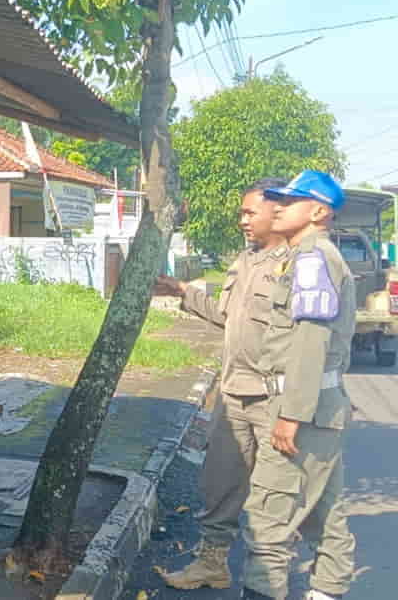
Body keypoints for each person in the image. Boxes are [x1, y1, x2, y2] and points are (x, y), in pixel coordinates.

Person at [153, 178, 290, 590]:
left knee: (271, 499)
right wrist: (182, 291)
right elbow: (227, 317)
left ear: (277, 213)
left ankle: (267, 582)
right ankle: (212, 564)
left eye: (250, 213)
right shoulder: (245, 261)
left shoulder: (299, 264)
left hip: (275, 400)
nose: (242, 221)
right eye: (241, 213)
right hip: (233, 395)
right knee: (219, 484)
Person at [240, 171, 357, 600]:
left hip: (302, 409)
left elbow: (311, 339)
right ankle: (327, 591)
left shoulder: (313, 258)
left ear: (319, 211)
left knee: (267, 519)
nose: (280, 206)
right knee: (322, 514)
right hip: (317, 409)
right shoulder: (303, 256)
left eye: (291, 201)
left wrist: (291, 414)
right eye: (277, 200)